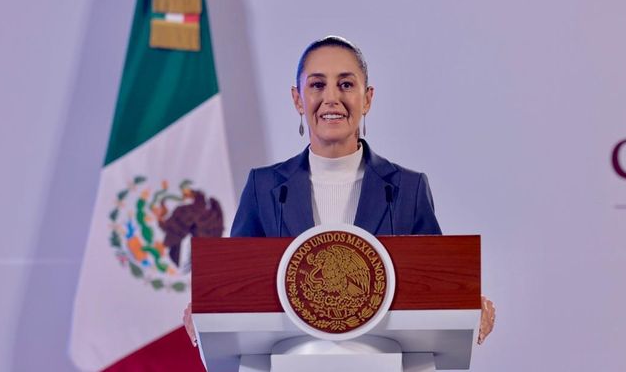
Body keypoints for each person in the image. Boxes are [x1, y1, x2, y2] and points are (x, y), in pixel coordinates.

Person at [184, 36, 495, 346]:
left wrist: (468, 305)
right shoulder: (263, 188)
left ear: (368, 98)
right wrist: (206, 308)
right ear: (297, 99)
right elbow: (236, 286)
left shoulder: (408, 189)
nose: (331, 98)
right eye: (317, 85)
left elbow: (436, 286)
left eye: (346, 85)